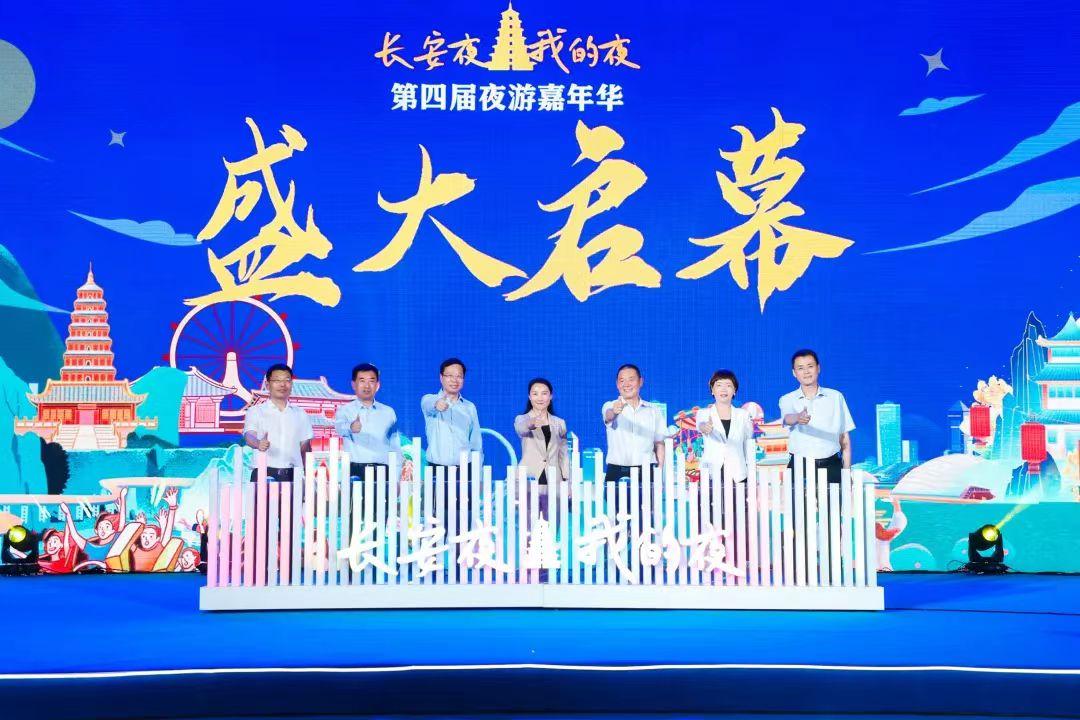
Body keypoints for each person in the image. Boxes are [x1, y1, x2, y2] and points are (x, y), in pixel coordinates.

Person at [779, 349, 855, 484]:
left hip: (831, 466)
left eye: (810, 366)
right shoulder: (787, 399)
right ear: (794, 373)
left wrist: (846, 473)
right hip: (800, 467)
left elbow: (845, 439)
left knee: (836, 498)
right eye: (800, 368)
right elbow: (787, 419)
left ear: (818, 368)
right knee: (797, 498)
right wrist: (798, 417)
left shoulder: (836, 397)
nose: (806, 372)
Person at [243, 363, 314, 481]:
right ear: (267, 385)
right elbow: (249, 435)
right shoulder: (256, 411)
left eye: (287, 380)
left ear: (291, 384)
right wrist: (258, 443)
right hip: (263, 473)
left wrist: (308, 473)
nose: (282, 384)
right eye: (277, 380)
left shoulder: (301, 414)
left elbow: (305, 448)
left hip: (293, 474)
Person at [334, 363, 402, 482]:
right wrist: (350, 427)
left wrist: (396, 478)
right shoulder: (345, 410)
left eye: (371, 381)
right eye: (362, 381)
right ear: (353, 385)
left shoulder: (388, 412)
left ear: (377, 385)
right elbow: (339, 428)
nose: (367, 386)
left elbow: (395, 446)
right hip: (355, 471)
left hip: (382, 471)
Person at [602, 364, 667, 483]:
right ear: (617, 384)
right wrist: (615, 411)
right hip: (616, 471)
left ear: (640, 382)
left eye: (631, 380)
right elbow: (608, 415)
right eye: (622, 381)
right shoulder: (610, 405)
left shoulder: (654, 410)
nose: (626, 384)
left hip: (646, 471)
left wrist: (659, 471)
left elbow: (659, 443)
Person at [421, 358, 482, 475]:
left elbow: (476, 444)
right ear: (441, 378)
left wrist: (478, 474)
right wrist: (437, 405)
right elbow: (429, 405)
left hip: (465, 470)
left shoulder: (469, 407)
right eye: (449, 376)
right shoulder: (428, 399)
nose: (454, 380)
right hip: (437, 469)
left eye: (459, 376)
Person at [694, 370, 754, 482]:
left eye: (728, 385)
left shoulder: (743, 415)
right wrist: (705, 427)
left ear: (734, 390)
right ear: (712, 390)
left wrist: (750, 469)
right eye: (719, 385)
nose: (723, 389)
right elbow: (700, 425)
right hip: (711, 472)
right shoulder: (704, 413)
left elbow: (748, 441)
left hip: (738, 473)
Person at [514, 378, 570, 484]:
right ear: (529, 397)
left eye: (544, 393)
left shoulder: (560, 423)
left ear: (551, 396)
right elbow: (521, 429)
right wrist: (531, 423)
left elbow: (564, 454)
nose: (540, 398)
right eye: (535, 394)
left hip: (553, 477)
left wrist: (567, 479)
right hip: (529, 476)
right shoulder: (522, 419)